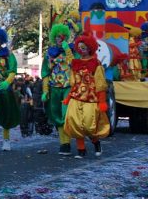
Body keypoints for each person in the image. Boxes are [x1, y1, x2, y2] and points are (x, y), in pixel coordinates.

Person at [63, 34, 109, 158]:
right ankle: (81, 150)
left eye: (84, 47)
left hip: (91, 99)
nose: (82, 50)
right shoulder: (75, 63)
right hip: (76, 97)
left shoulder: (96, 64)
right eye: (80, 48)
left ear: (89, 48)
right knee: (75, 124)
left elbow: (100, 83)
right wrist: (68, 98)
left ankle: (96, 142)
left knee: (89, 126)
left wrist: (102, 101)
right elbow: (74, 83)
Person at [42, 24, 75, 155]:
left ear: (66, 37)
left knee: (66, 114)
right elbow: (45, 72)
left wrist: (67, 50)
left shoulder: (72, 51)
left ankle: (67, 142)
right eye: (56, 37)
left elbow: (75, 63)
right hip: (54, 87)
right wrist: (45, 90)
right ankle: (64, 144)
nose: (59, 39)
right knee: (56, 115)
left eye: (61, 37)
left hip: (68, 87)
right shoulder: (49, 53)